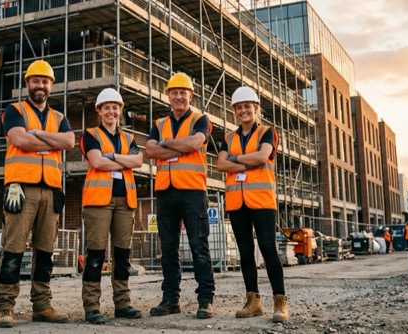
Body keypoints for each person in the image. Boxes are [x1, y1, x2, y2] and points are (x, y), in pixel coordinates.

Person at [0, 60, 75, 328]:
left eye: (45, 81)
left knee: (45, 252)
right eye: (35, 81)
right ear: (27, 83)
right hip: (20, 189)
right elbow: (18, 139)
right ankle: (5, 307)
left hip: (51, 191)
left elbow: (69, 142)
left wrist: (37, 134)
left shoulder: (60, 118)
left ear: (51, 85)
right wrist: (50, 140)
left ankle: (42, 305)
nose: (40, 85)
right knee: (13, 249)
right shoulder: (14, 110)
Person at [145, 72, 215, 319]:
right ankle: (170, 299)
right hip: (165, 192)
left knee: (199, 246)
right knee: (168, 248)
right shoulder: (159, 123)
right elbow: (149, 150)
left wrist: (164, 144)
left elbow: (194, 144)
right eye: (174, 92)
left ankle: (205, 299)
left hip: (193, 192)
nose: (178, 96)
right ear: (168, 96)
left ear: (190, 95)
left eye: (182, 92)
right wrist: (172, 145)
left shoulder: (201, 119)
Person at [217, 86, 289, 323]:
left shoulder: (268, 132)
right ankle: (253, 301)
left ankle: (280, 301)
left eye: (247, 106)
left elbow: (262, 157)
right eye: (239, 107)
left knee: (268, 248)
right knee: (245, 252)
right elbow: (221, 165)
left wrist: (235, 159)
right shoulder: (228, 137)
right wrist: (247, 162)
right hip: (237, 202)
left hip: (262, 201)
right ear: (234, 111)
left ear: (256, 108)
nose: (243, 110)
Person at [79, 88, 144, 324]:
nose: (111, 111)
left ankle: (123, 303)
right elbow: (96, 161)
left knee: (122, 254)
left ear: (120, 110)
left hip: (125, 202)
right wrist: (122, 160)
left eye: (115, 107)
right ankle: (92, 307)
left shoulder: (128, 138)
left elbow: (138, 161)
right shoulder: (90, 134)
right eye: (106, 107)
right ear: (99, 110)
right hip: (98, 202)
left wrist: (113, 157)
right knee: (95, 254)